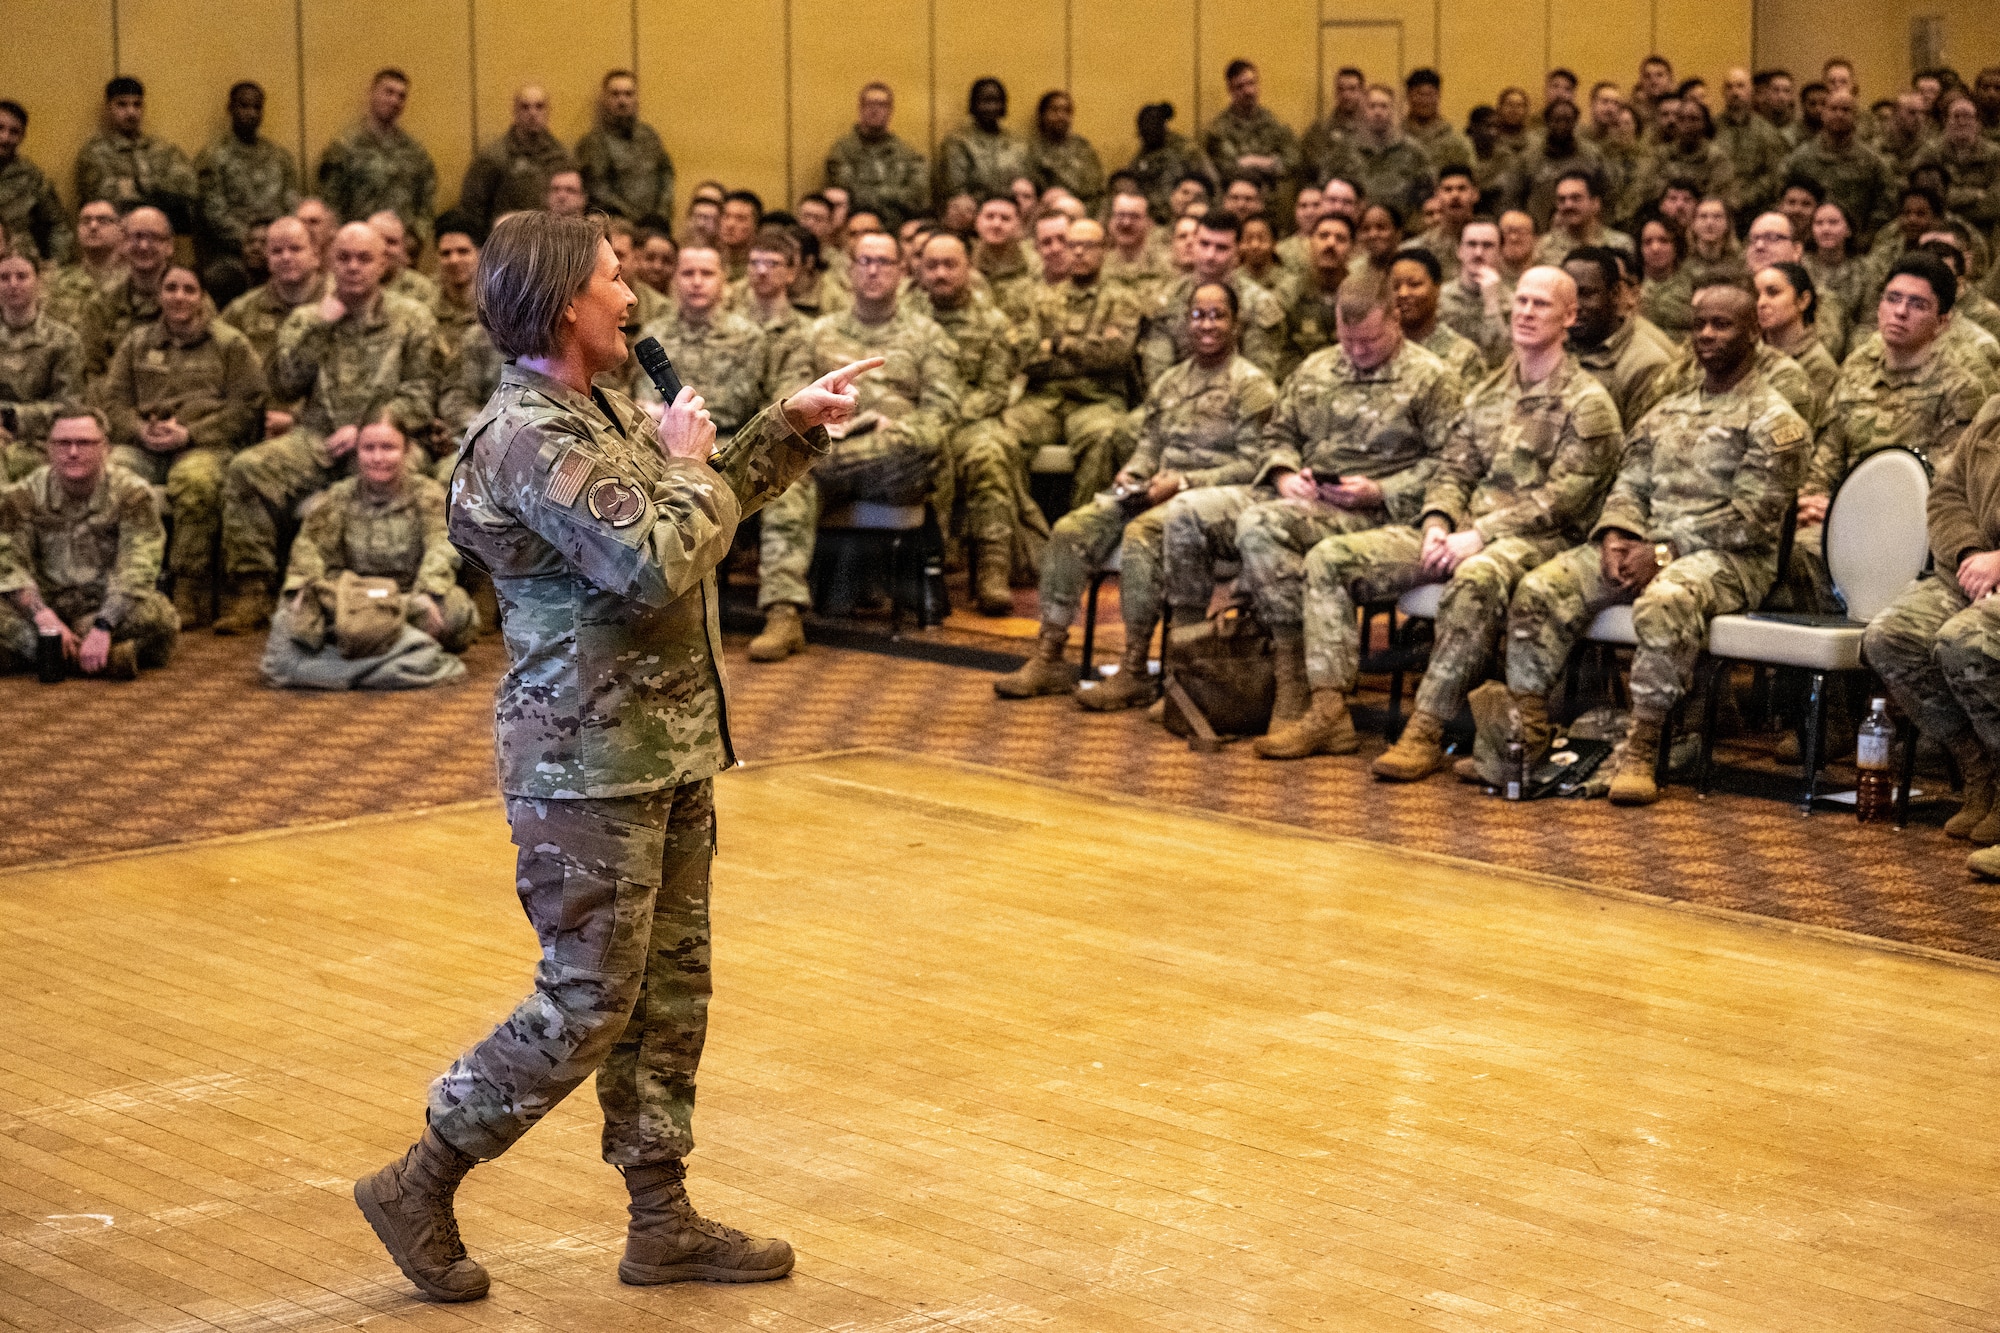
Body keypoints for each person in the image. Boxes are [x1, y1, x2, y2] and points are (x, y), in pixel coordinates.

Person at [354, 208, 876, 1300]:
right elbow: (657, 561)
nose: (631, 293)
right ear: (561, 306)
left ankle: (661, 1219)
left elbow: (685, 501)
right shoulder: (528, 438)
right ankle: (421, 1175)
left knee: (666, 997)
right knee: (587, 1000)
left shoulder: (589, 411)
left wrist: (783, 426)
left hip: (662, 745)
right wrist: (689, 468)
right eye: (611, 277)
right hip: (584, 763)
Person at [1301, 267, 1621, 776]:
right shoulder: (1489, 393)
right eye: (1521, 302)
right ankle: (1328, 711)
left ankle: (1426, 728)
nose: (1526, 312)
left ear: (1570, 316)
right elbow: (1454, 467)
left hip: (1540, 541)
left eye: (1541, 304)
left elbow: (1565, 499)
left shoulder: (1588, 403)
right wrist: (1437, 520)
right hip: (1462, 531)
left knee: (1478, 575)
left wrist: (1479, 536)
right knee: (1330, 558)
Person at [1503, 282, 1808, 803]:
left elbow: (1752, 521)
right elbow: (1630, 482)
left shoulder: (1775, 420)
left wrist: (1664, 551)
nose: (1707, 334)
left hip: (1730, 560)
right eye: (1699, 324)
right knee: (1540, 588)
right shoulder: (1668, 409)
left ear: (1755, 333)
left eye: (1722, 324)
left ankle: (1643, 747)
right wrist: (1618, 533)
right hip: (1647, 548)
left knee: (1667, 601)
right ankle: (1525, 740)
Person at [1205, 277, 1466, 758]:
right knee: (1258, 526)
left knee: (1316, 554)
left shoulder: (1432, 378)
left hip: (1390, 516)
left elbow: (1452, 462)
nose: (1358, 351)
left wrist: (1380, 490)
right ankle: (1294, 682)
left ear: (1395, 320)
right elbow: (1279, 433)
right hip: (1320, 504)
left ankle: (1325, 707)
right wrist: (1286, 476)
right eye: (1348, 341)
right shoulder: (1316, 369)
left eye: (1369, 341)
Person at [996, 281, 1278, 705]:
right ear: (1186, 322)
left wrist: (1182, 483)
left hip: (1210, 499)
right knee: (1072, 529)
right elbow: (1150, 445)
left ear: (1235, 323)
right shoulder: (1170, 381)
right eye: (1198, 315)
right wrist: (1135, 472)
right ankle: (1050, 654)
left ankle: (1133, 668)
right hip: (1154, 489)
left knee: (1141, 534)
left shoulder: (1252, 385)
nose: (1207, 324)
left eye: (1218, 315)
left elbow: (1257, 465)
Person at [215, 222, 438, 632]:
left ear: (383, 263)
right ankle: (253, 590)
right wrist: (319, 324)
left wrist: (369, 430)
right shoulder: (307, 317)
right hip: (316, 437)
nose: (353, 267)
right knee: (247, 470)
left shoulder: (411, 318)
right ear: (329, 262)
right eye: (344, 258)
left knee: (393, 471)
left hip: (383, 439)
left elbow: (422, 393)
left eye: (364, 259)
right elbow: (284, 384)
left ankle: (392, 596)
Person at [748, 230, 959, 661]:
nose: (874, 269)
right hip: (832, 449)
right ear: (849, 271)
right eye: (865, 261)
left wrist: (891, 428)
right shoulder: (816, 333)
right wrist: (822, 425)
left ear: (903, 271)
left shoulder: (928, 335)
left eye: (884, 261)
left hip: (895, 462)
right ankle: (783, 613)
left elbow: (942, 415)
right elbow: (787, 398)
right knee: (792, 481)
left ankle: (824, 458)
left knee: (917, 446)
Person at [1790, 253, 1987, 613]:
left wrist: (1839, 509)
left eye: (1917, 305)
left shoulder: (1960, 388)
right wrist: (1812, 500)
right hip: (1841, 521)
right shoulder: (1857, 371)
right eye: (1892, 299)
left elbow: (1945, 486)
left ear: (1942, 322)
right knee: (1786, 548)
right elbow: (1830, 452)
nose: (1899, 312)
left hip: (1909, 530)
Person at [1864, 398, 2000, 868]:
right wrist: (1967, 552)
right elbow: (1946, 495)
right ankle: (1978, 768)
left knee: (1965, 641)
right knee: (1889, 637)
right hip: (1968, 572)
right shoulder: (1994, 411)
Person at [261, 413, 474, 690]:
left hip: (406, 597)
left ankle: (336, 661)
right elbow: (309, 549)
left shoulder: (428, 494)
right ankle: (401, 657)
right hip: (347, 598)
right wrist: (306, 587)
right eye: (368, 448)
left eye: (388, 448)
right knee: (290, 615)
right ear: (357, 452)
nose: (378, 457)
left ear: (407, 451)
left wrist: (427, 592)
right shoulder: (338, 496)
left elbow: (442, 547)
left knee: (455, 615)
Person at [102, 263, 263, 625]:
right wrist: (138, 430)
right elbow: (113, 401)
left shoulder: (229, 344)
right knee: (110, 476)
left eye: (189, 289)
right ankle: (115, 582)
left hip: (205, 444)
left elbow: (248, 404)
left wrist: (191, 433)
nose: (179, 296)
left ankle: (189, 586)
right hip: (144, 445)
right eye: (171, 288)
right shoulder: (137, 342)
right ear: (159, 295)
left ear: (202, 295)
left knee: (195, 481)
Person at [0, 406, 177, 678]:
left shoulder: (133, 493)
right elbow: (8, 562)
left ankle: (48, 656)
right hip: (43, 605)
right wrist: (43, 616)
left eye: (84, 443)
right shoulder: (24, 495)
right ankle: (95, 658)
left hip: (102, 605)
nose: (72, 452)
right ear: (49, 449)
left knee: (159, 617)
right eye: (62, 443)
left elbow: (138, 565)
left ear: (105, 448)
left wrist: (103, 625)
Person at [909, 231, 1034, 615]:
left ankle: (992, 571)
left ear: (968, 268)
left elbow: (996, 389)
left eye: (950, 265)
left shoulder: (992, 322)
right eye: (932, 265)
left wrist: (950, 415)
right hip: (914, 417)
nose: (941, 273)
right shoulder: (904, 317)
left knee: (990, 451)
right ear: (919, 269)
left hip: (968, 418)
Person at [1003, 216, 1145, 515]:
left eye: (1088, 245)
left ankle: (1079, 536)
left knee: (1105, 436)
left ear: (1105, 249)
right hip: (1042, 399)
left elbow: (1116, 355)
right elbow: (1023, 356)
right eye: (1073, 245)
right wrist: (1087, 351)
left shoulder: (1124, 298)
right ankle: (1030, 532)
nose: (1079, 252)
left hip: (1098, 399)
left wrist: (1057, 345)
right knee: (1002, 436)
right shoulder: (1040, 298)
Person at [631, 244, 767, 438]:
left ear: (723, 279)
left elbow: (734, 410)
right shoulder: (654, 333)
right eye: (687, 273)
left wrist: (666, 412)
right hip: (658, 440)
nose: (697, 282)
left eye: (707, 273)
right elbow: (643, 401)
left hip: (722, 443)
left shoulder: (747, 336)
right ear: (675, 278)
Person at [1139, 213, 1284, 385]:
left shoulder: (1258, 303)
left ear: (1238, 251)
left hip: (1236, 398)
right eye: (1204, 244)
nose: (1210, 255)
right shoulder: (1167, 298)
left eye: (1221, 248)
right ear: (1194, 245)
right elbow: (1157, 375)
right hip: (1176, 397)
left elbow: (1259, 378)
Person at [219, 216, 327, 439]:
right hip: (252, 429)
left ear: (316, 255)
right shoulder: (241, 312)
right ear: (267, 258)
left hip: (320, 431)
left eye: (295, 249)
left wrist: (298, 420)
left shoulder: (338, 306)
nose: (286, 257)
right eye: (277, 251)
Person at [317, 69, 438, 248]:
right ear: (372, 94)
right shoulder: (344, 147)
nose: (395, 100)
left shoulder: (414, 151)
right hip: (357, 249)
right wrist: (344, 239)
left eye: (401, 96)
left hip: (401, 248)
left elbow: (427, 197)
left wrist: (416, 236)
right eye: (388, 92)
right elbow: (330, 203)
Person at [195, 81, 301, 266]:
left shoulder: (280, 157)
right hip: (232, 253)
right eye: (243, 106)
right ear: (230, 108)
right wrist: (255, 244)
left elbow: (292, 206)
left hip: (280, 248)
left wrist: (274, 242)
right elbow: (214, 215)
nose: (251, 113)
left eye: (257, 107)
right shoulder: (213, 157)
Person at [74, 77, 197, 235]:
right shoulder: (94, 153)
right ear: (108, 108)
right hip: (117, 239)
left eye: (137, 104)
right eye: (122, 105)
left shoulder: (161, 148)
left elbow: (188, 189)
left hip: (161, 236)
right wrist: (160, 194)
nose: (131, 112)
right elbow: (107, 201)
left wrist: (139, 189)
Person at [0, 253, 85, 481]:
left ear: (39, 282)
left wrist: (11, 417)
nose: (13, 284)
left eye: (22, 276)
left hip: (42, 442)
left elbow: (70, 407)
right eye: (4, 278)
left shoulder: (63, 339)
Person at [1564, 247, 1670, 427]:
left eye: (1587, 294)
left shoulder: (1646, 365)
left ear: (1614, 294)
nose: (1576, 306)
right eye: (1568, 295)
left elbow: (1642, 447)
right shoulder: (1554, 345)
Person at [1782, 90, 1896, 243]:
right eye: (1833, 109)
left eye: (1846, 110)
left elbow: (1886, 204)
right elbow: (1782, 197)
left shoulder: (1872, 161)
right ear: (1823, 114)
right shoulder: (1801, 158)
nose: (1839, 114)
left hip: (1856, 244)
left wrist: (1867, 235)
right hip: (1807, 243)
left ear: (1856, 116)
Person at [462, 88, 574, 231]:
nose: (533, 113)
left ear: (548, 111)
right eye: (525, 107)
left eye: (539, 106)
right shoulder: (494, 157)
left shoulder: (562, 156)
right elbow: (473, 209)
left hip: (553, 237)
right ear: (515, 111)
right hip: (510, 240)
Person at [820, 83, 927, 232]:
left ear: (890, 110)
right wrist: (894, 197)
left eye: (882, 105)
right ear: (860, 108)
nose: (875, 110)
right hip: (856, 228)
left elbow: (917, 196)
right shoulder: (843, 151)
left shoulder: (908, 153)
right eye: (870, 104)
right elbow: (848, 195)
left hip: (900, 229)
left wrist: (871, 194)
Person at [576, 70, 675, 223]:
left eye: (628, 94)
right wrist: (634, 217)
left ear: (636, 99)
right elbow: (597, 189)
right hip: (615, 221)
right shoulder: (593, 142)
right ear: (605, 99)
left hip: (653, 223)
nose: (622, 101)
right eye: (615, 94)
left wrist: (661, 213)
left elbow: (666, 174)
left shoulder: (649, 136)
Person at [89, 204, 176, 379]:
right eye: (136, 236)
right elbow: (90, 371)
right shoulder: (103, 302)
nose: (143, 246)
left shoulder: (190, 297)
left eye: (154, 237)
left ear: (169, 246)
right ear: (122, 244)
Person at [1753, 261, 1838, 420]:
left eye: (1773, 293)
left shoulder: (1818, 364)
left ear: (1803, 301)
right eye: (1756, 295)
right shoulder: (1749, 352)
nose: (1761, 303)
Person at [1389, 248, 1484, 385]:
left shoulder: (1464, 354)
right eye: (1395, 286)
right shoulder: (1375, 350)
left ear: (1437, 288)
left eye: (1415, 284)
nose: (1403, 293)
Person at [1506, 99, 1605, 230]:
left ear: (1575, 122)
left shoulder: (1592, 155)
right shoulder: (1529, 158)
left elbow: (1604, 194)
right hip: (1539, 233)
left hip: (1584, 232)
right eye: (1557, 120)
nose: (1562, 125)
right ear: (1547, 122)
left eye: (1567, 120)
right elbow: (1514, 198)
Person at [1204, 61, 1300, 195]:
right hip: (1234, 203)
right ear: (1230, 90)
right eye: (1240, 86)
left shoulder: (1274, 124)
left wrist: (1258, 162)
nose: (1248, 91)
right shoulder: (1217, 130)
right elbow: (1222, 170)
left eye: (1252, 83)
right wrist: (1270, 164)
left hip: (1270, 205)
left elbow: (1294, 161)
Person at [1279, 212, 1353, 376]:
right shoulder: (1287, 293)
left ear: (1352, 248)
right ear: (1310, 242)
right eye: (1323, 236)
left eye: (1340, 239)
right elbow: (1274, 353)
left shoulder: (1363, 295)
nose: (1331, 244)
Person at [1348, 85, 1436, 223]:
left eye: (1384, 106)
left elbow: (1427, 196)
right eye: (1372, 106)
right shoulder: (1346, 151)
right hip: (1357, 228)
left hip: (1403, 229)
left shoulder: (1413, 151)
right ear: (1363, 111)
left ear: (1393, 110)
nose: (1378, 112)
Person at [938, 79, 1030, 206]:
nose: (991, 107)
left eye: (996, 101)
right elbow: (956, 189)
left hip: (1013, 209)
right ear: (973, 105)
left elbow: (1027, 183)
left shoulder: (1018, 143)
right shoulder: (958, 141)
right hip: (973, 210)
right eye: (985, 101)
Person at [0, 99, 71, 263]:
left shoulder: (31, 176)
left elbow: (59, 226)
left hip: (19, 267)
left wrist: (54, 267)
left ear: (22, 136)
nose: (5, 138)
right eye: (0, 128)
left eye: (14, 132)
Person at [1716, 68, 1791, 221]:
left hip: (1755, 210)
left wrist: (1745, 197)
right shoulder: (1711, 128)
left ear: (1751, 91)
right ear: (1723, 92)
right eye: (1729, 87)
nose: (1735, 92)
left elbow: (1774, 175)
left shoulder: (1767, 131)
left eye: (1740, 86)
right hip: (1718, 206)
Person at [1127, 102, 1212, 224]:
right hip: (1152, 222)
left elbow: (1211, 184)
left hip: (1186, 219)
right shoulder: (1139, 160)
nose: (1149, 135)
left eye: (1154, 128)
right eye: (1144, 133)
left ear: (1164, 127)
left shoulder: (1186, 151)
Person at [1026, 90, 1104, 215]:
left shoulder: (1083, 146)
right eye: (1054, 110)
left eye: (1066, 111)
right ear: (1042, 115)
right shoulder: (1033, 151)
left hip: (1091, 212)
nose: (1061, 116)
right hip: (1055, 214)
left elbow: (1099, 188)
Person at [1533, 170, 1633, 267]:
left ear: (1595, 203)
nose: (1568, 205)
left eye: (1576, 198)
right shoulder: (1544, 247)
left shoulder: (1619, 244)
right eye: (1562, 200)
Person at [1636, 213, 1695, 341]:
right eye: (1647, 242)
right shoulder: (1631, 285)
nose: (1655, 248)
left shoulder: (1694, 283)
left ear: (1676, 245)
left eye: (1664, 241)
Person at [1401, 68, 1474, 173]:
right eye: (1419, 94)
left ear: (1438, 96)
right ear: (1408, 96)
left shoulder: (1457, 141)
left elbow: (1468, 178)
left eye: (1430, 95)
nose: (1425, 101)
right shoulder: (1395, 138)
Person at [367, 210, 435, 305]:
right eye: (377, 239)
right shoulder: (345, 283)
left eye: (391, 242)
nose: (384, 248)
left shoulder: (422, 289)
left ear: (402, 247)